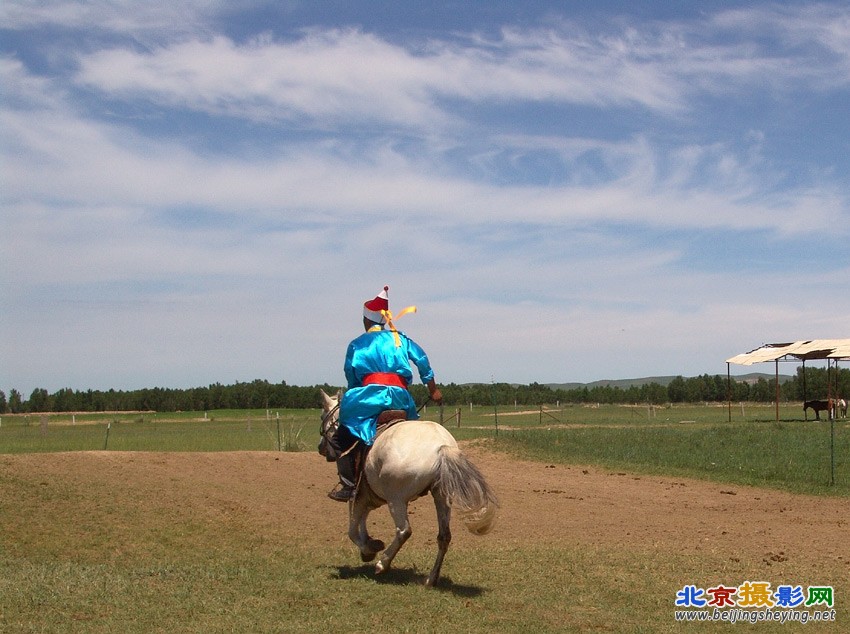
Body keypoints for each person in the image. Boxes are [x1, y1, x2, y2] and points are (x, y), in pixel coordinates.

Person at [327, 285, 443, 502]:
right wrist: (433, 390)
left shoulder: (357, 344)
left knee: (340, 437)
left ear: (367, 321)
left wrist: (355, 393)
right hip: (400, 397)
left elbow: (350, 375)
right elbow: (422, 361)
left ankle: (349, 485)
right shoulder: (401, 338)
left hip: (368, 396)